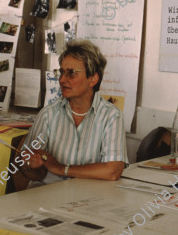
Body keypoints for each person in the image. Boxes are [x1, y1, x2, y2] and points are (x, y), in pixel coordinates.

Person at [19, 39, 128, 186]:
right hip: (47, 197)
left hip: (89, 200)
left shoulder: (111, 116)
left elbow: (113, 171)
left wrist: (61, 169)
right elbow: (36, 174)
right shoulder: (48, 115)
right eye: (61, 72)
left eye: (71, 73)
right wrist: (29, 166)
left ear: (93, 79)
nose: (62, 80)